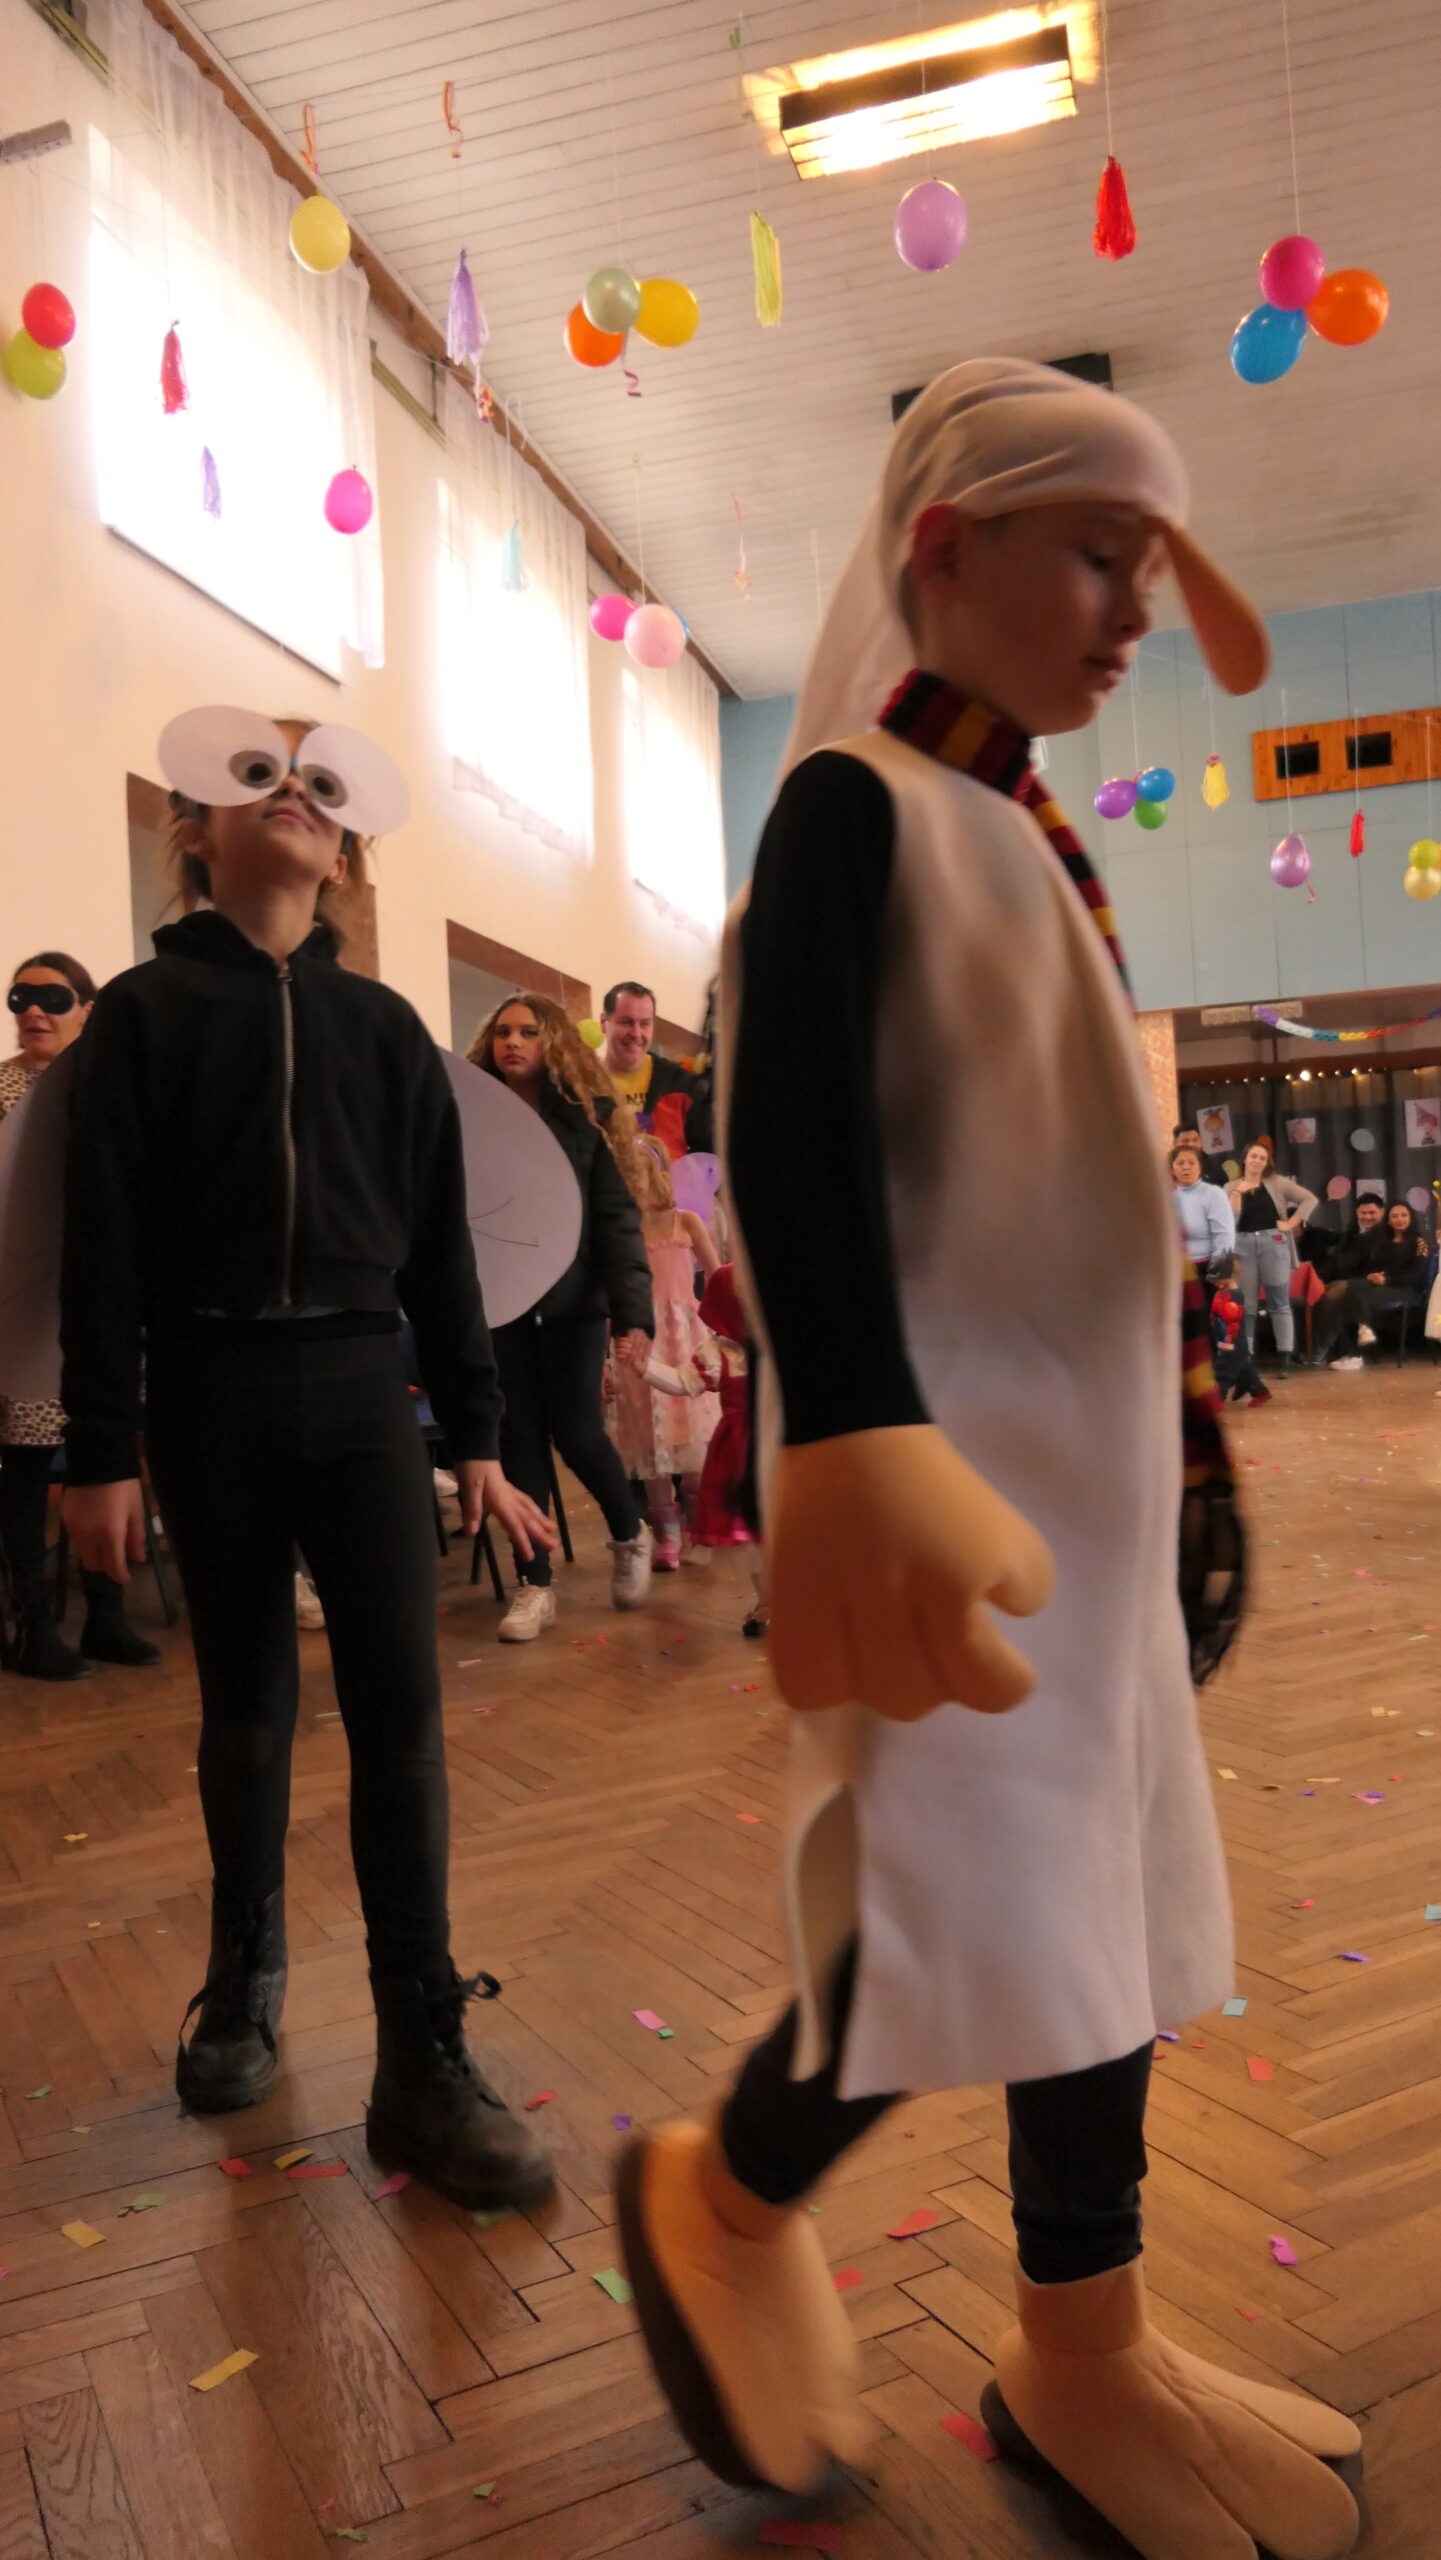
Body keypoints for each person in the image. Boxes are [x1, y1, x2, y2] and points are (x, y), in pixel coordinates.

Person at [614, 360, 1360, 2560]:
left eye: (1149, 568)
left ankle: (1083, 2337)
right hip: (952, 1510)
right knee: (956, 1910)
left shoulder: (1025, 833)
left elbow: (1085, 1211)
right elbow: (792, 1140)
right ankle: (721, 2196)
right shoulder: (851, 807)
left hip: (1078, 1514)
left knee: (1089, 1921)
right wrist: (853, 1425)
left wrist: (1189, 1480)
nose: (1135, 613)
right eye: (1100, 557)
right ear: (947, 549)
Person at [59, 708, 557, 2212]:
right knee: (247, 1706)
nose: (291, 796)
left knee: (401, 1715)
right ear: (195, 829)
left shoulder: (387, 1030)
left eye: (318, 786)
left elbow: (442, 1256)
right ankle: (245, 1975)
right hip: (206, 1391)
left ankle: (420, 2054)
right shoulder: (142, 1016)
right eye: (257, 777)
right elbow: (101, 1247)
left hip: (357, 1394)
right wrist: (100, 1450)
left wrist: (478, 1436)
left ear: (341, 854)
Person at [469, 993, 655, 1641]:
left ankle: (629, 1532)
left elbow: (616, 1222)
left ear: (553, 1042)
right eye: (502, 1032)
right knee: (517, 1435)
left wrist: (633, 1316)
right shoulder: (470, 1116)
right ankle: (535, 1584)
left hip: (573, 1302)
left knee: (576, 1432)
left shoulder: (589, 1118)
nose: (512, 1042)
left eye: (528, 1031)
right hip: (500, 1301)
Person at [0, 953, 159, 1681]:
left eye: (53, 997)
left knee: (108, 1450)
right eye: (20, 998)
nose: (34, 1010)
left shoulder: (113, 1087)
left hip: (103, 1305)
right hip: (21, 1308)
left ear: (87, 1010)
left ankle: (106, 1614)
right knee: (26, 1468)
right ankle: (30, 1624)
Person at [608, 1136, 720, 1569]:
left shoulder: (686, 1222)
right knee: (650, 1434)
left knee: (690, 1427)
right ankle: (666, 1531)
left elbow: (717, 1278)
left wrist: (724, 1328)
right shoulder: (625, 1231)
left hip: (685, 1337)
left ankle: (696, 1519)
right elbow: (614, 1292)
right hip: (642, 1337)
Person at [644, 1261, 762, 1630]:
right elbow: (683, 1381)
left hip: (779, 1446)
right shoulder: (720, 1353)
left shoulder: (778, 1341)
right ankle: (768, 1602)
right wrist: (644, 1366)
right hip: (741, 1453)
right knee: (755, 1536)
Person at [1225, 1141, 1317, 1373]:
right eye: (1253, 1156)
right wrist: (1237, 1192)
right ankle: (1246, 1357)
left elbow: (1309, 1199)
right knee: (1246, 1304)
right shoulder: (1231, 1186)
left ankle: (1284, 1357)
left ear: (1267, 1163)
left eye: (1262, 1158)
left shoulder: (1276, 1182)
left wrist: (1291, 1223)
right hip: (1242, 1245)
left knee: (1279, 1301)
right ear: (1245, 1159)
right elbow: (1229, 1220)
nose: (1257, 1161)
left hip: (1273, 1243)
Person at [1312, 1193, 1426, 1368]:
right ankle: (1355, 1342)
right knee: (1354, 1286)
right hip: (1378, 1285)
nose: (1399, 1219)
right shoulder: (1383, 1241)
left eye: (1404, 1215)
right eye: (1395, 1216)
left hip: (1404, 1289)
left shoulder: (1419, 1243)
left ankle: (1350, 1349)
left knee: (1348, 1295)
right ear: (1388, 1220)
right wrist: (1373, 1276)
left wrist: (1387, 1279)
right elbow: (1368, 1265)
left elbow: (1415, 1275)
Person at [600, 982, 713, 1156]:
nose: (636, 1033)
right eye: (627, 1022)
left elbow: (707, 1154)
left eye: (644, 1024)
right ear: (603, 1023)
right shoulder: (582, 1085)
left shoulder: (681, 1083)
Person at [1168, 1143, 1234, 1278]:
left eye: (1191, 1163)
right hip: (1179, 1269)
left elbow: (1224, 1234)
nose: (1186, 1167)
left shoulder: (1213, 1193)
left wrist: (1220, 1270)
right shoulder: (1169, 1199)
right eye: (1180, 1163)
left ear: (1199, 1168)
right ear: (1172, 1169)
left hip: (1208, 1267)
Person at [1211, 1275, 1269, 1406]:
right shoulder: (1221, 1293)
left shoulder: (1235, 1295)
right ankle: (1259, 1391)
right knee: (1243, 1367)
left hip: (1232, 1340)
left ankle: (1218, 1399)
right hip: (1225, 1338)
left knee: (1225, 1371)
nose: (1214, 1281)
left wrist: (1227, 1342)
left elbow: (1232, 1322)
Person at [1171, 1120, 1227, 1187]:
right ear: (1175, 1143)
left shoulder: (1213, 1166)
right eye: (1185, 1141)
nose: (1191, 1144)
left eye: (1195, 1140)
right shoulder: (1166, 1169)